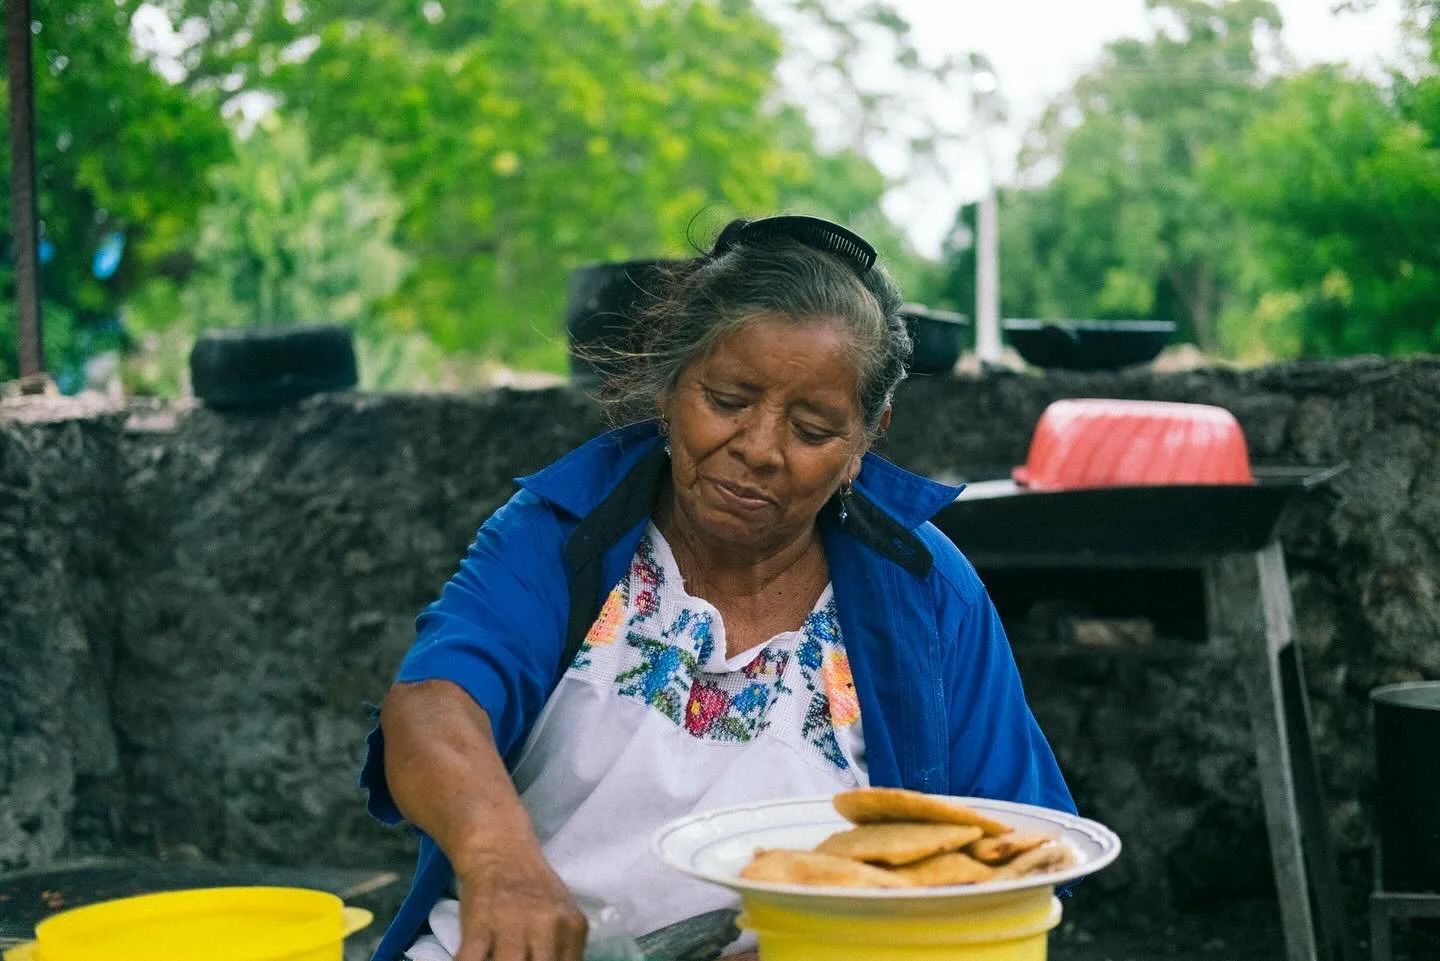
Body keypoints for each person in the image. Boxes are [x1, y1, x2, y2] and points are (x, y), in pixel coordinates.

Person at [360, 215, 1075, 961]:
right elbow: (435, 706)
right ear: (671, 386)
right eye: (729, 400)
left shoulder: (926, 592)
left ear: (866, 438)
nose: (760, 449)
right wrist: (499, 861)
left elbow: (1018, 846)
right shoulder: (562, 531)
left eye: (812, 429)